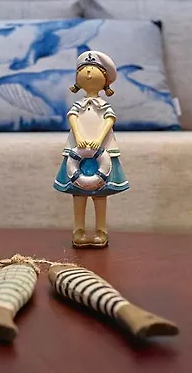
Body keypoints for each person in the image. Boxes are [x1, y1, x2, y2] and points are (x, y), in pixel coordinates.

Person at [53, 50, 129, 248]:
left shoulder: (104, 105)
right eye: (84, 69)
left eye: (93, 69)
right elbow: (72, 118)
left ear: (105, 79)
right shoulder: (77, 105)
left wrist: (98, 140)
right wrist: (79, 137)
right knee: (78, 193)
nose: (88, 73)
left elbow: (109, 121)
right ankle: (78, 229)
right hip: (77, 151)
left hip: (102, 152)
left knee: (100, 194)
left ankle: (101, 229)